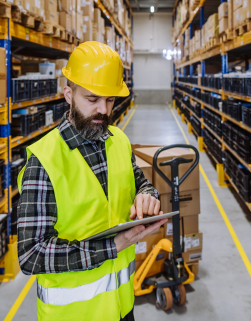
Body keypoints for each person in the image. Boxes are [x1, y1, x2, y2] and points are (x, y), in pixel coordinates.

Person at [16, 41, 166, 321]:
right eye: (92, 99)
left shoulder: (119, 141)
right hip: (73, 315)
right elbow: (31, 254)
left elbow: (140, 183)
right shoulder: (45, 159)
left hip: (123, 308)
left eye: (110, 100)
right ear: (68, 95)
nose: (103, 110)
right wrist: (114, 246)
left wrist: (148, 196)